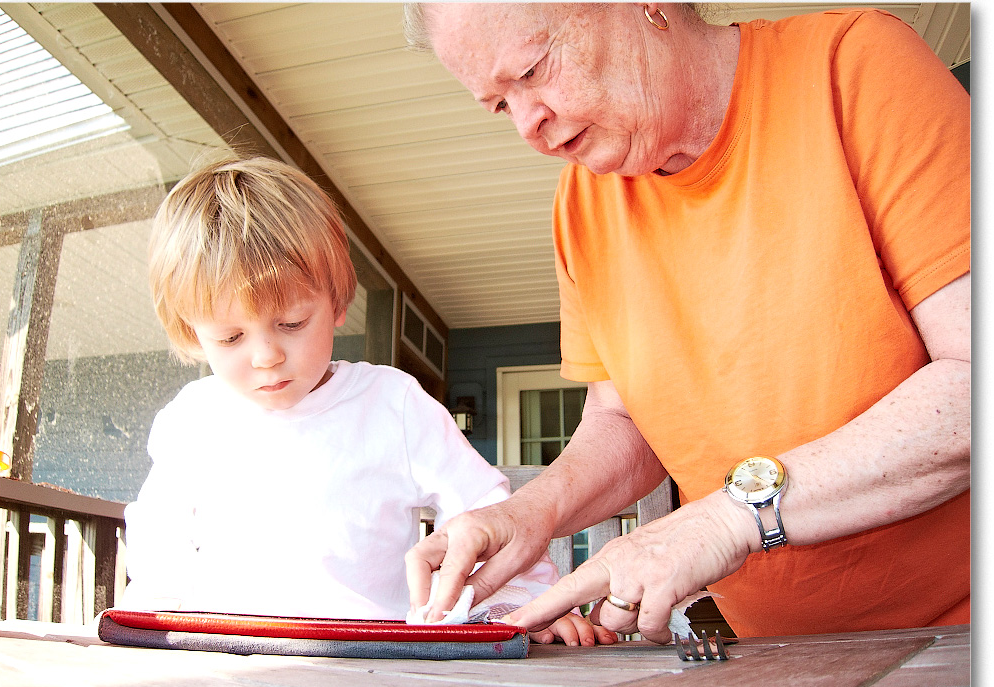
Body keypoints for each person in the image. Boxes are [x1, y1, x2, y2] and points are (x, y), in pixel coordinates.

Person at [402, 3, 970, 641]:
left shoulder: (854, 68)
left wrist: (728, 518)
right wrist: (530, 513)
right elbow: (626, 421)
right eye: (501, 104)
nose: (528, 125)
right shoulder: (581, 205)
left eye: (533, 70)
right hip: (772, 655)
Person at [120, 155, 616, 646]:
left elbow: (483, 511)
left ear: (337, 302)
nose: (266, 356)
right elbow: (159, 539)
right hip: (225, 651)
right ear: (191, 331)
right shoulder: (193, 419)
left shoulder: (392, 405)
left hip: (372, 653)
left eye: (291, 323)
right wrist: (156, 623)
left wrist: (521, 607)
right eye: (230, 337)